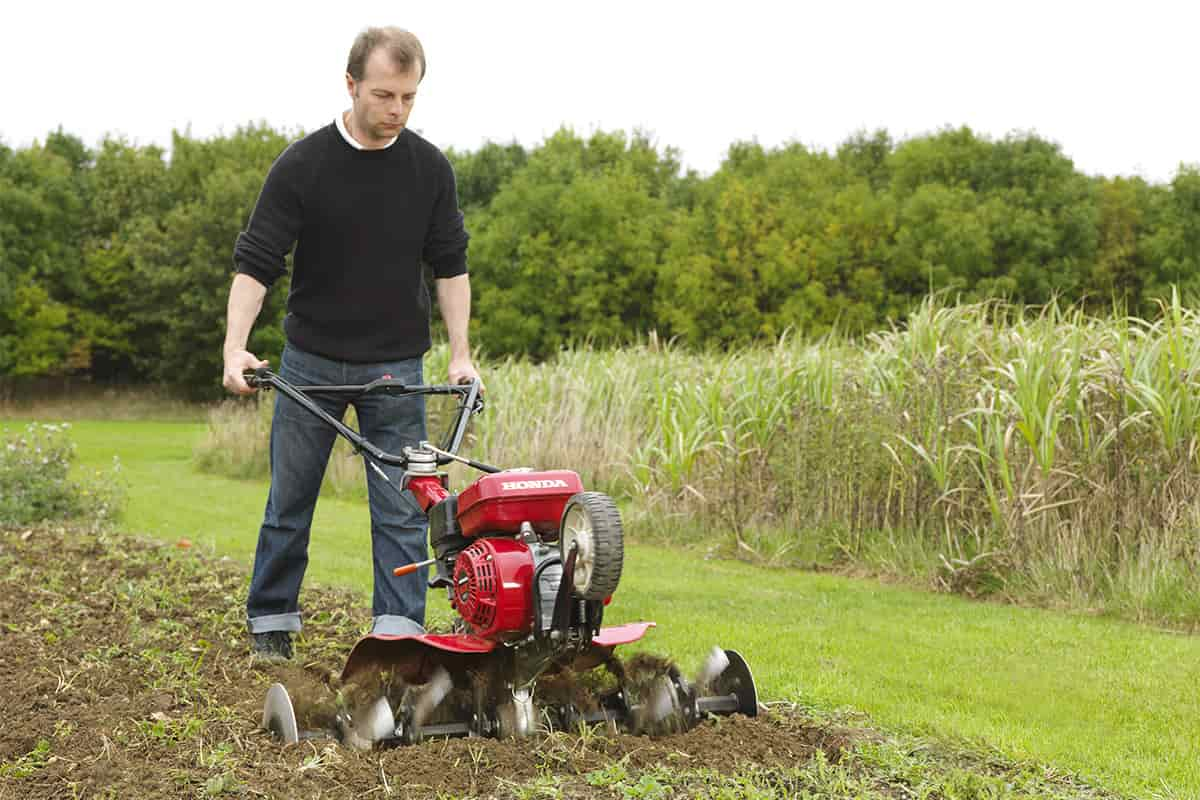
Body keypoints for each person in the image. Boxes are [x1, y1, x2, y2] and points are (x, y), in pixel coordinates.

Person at [221, 27, 479, 662]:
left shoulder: (428, 169)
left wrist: (461, 353)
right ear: (351, 85)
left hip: (396, 369)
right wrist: (235, 347)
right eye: (384, 94)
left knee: (402, 506)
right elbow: (256, 264)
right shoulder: (304, 165)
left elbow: (450, 265)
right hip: (310, 365)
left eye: (409, 97)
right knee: (291, 499)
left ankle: (396, 636)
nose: (396, 110)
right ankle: (272, 621)